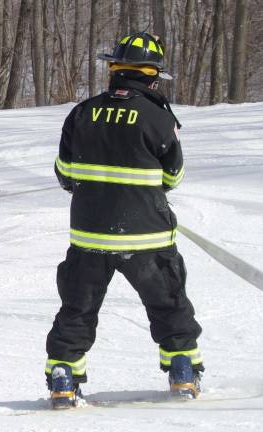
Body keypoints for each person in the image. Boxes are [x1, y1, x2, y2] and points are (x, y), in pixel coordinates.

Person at [45, 32, 203, 409]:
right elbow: (172, 178)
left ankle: (64, 378)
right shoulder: (159, 117)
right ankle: (182, 370)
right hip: (147, 238)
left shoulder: (82, 112)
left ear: (114, 69)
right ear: (152, 77)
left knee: (78, 309)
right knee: (169, 305)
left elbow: (66, 173)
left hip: (89, 237)